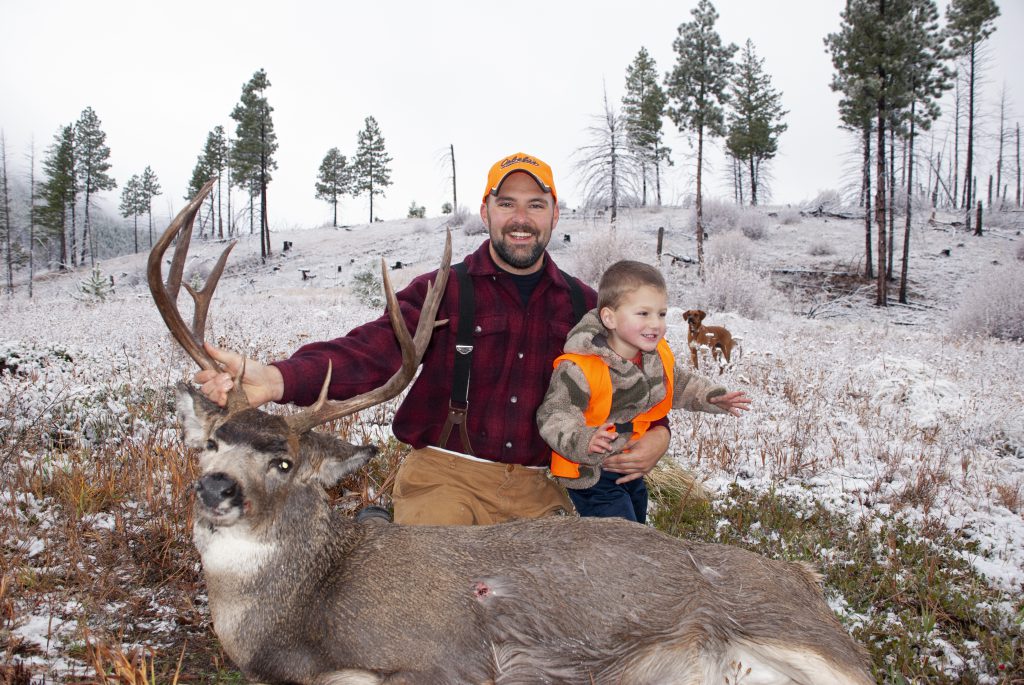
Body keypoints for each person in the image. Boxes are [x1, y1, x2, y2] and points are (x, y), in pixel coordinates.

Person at [194, 152, 674, 525]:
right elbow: (372, 351)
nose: (520, 218)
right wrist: (277, 379)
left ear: (555, 216)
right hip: (446, 479)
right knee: (429, 612)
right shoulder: (442, 290)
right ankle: (386, 534)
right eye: (506, 203)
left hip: (540, 487)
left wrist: (659, 433)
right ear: (485, 211)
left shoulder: (586, 306)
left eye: (535, 205)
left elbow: (637, 378)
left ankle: (381, 529)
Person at [536, 260, 751, 523]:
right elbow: (555, 413)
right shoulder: (580, 366)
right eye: (643, 314)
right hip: (592, 473)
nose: (656, 324)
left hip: (629, 468)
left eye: (661, 314)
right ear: (609, 317)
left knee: (637, 527)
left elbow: (679, 384)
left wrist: (712, 396)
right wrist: (584, 439)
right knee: (623, 538)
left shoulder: (655, 357)